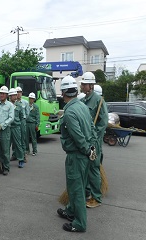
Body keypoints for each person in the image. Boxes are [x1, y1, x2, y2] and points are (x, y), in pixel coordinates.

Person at [57, 75, 97, 233]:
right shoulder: (82, 107)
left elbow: (78, 137)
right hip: (86, 155)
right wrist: (92, 149)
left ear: (64, 92)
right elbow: (92, 130)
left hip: (77, 155)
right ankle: (71, 211)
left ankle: (79, 223)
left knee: (76, 189)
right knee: (75, 186)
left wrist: (87, 149)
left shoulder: (69, 112)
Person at [80, 72, 108, 208]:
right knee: (86, 168)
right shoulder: (84, 100)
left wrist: (94, 137)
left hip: (93, 141)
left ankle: (96, 198)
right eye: (82, 83)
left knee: (93, 168)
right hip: (85, 140)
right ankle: (87, 192)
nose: (82, 86)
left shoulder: (98, 100)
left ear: (91, 85)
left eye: (84, 84)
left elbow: (103, 121)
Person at [0, 86, 14, 175]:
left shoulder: (10, 105)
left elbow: (11, 118)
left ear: (6, 95)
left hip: (5, 130)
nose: (1, 95)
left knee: (5, 150)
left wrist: (3, 125)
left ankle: (6, 167)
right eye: (1, 93)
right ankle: (0, 165)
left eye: (3, 94)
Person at [9, 88, 25, 168]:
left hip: (16, 127)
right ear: (10, 96)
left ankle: (21, 159)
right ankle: (4, 160)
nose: (15, 96)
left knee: (18, 144)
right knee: (7, 144)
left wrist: (21, 127)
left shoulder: (19, 105)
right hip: (8, 127)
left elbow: (22, 116)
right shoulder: (7, 105)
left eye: (16, 95)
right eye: (13, 95)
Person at [15, 86, 30, 162]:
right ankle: (15, 155)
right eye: (17, 92)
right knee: (15, 139)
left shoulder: (25, 102)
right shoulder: (13, 102)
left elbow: (27, 113)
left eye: (19, 92)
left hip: (22, 121)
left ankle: (23, 155)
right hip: (15, 121)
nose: (18, 94)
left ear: (21, 93)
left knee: (22, 138)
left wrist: (23, 120)